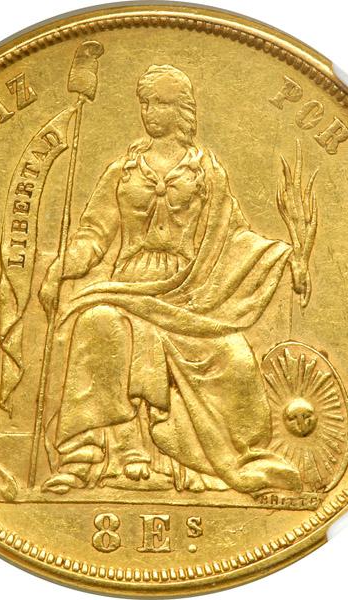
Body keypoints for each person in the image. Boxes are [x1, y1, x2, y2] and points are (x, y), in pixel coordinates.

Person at [38, 64, 315, 495]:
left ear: (182, 109)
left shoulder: (207, 172)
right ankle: (87, 458)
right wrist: (62, 267)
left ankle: (201, 461)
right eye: (145, 103)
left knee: (233, 354)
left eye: (161, 103)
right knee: (98, 323)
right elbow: (93, 235)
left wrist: (284, 258)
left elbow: (234, 236)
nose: (150, 112)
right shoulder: (123, 171)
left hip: (191, 294)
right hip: (127, 286)